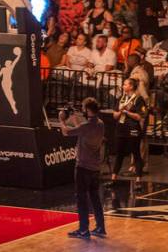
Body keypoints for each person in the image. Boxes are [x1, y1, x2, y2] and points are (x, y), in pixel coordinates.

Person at [59, 97, 107, 240]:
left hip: (83, 167)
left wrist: (61, 120)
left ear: (87, 110)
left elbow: (66, 132)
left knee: (81, 198)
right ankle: (100, 227)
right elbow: (82, 129)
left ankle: (83, 229)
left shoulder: (86, 127)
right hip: (95, 167)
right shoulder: (100, 124)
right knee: (95, 197)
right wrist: (75, 119)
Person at [111, 78, 147, 182]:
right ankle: (114, 178)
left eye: (125, 84)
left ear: (131, 86)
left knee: (136, 153)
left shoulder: (139, 99)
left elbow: (139, 117)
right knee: (119, 153)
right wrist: (120, 111)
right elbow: (115, 115)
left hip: (133, 129)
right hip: (121, 128)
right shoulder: (121, 98)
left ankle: (138, 180)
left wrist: (127, 112)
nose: (123, 86)